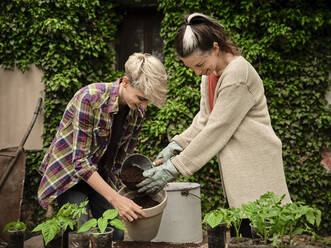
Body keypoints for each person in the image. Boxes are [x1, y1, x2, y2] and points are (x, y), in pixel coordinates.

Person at [137, 13, 292, 237]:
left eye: (200, 64)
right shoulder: (209, 76)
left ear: (216, 48)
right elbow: (204, 120)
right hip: (239, 173)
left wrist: (175, 167)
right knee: (244, 233)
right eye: (193, 68)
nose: (198, 72)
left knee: (261, 235)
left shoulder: (238, 73)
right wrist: (176, 145)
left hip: (256, 169)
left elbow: (216, 129)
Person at [37, 53, 168, 240]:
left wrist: (143, 182)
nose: (144, 107)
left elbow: (121, 161)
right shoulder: (89, 98)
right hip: (70, 176)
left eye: (147, 101)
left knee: (115, 232)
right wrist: (117, 199)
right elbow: (80, 163)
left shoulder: (137, 112)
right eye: (141, 98)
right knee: (79, 231)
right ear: (124, 82)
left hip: (101, 177)